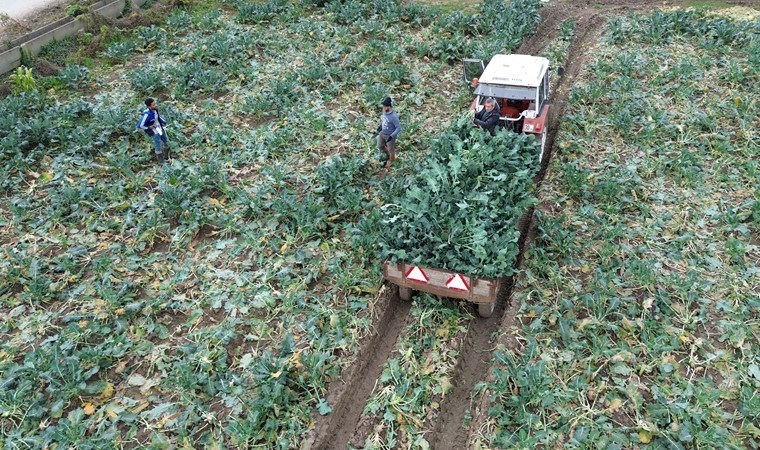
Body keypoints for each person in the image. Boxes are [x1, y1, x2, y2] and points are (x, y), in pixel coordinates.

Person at [137, 98, 170, 164]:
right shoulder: (146, 115)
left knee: (165, 140)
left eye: (155, 103)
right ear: (149, 106)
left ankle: (166, 156)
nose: (156, 105)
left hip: (159, 127)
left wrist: (164, 122)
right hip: (154, 131)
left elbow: (158, 117)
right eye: (154, 104)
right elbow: (140, 125)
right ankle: (161, 161)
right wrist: (149, 127)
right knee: (158, 143)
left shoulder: (155, 110)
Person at [376, 97, 402, 168]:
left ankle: (391, 160)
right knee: (380, 146)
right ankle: (388, 153)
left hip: (390, 135)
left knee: (391, 149)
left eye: (385, 106)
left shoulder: (394, 117)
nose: (383, 108)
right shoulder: (384, 111)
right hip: (382, 133)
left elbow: (399, 128)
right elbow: (384, 119)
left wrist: (391, 136)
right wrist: (380, 126)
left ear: (389, 107)